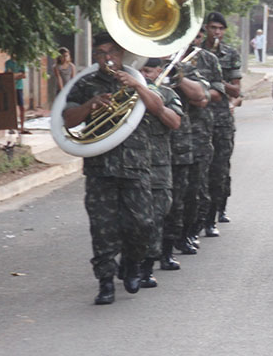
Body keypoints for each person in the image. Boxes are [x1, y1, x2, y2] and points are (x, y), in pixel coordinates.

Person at [61, 33, 164, 304]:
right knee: (102, 228)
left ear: (122, 55)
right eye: (101, 53)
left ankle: (131, 263)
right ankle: (105, 282)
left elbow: (158, 108)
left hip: (136, 166)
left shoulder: (137, 79)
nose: (107, 58)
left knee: (142, 223)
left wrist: (138, 86)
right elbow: (68, 120)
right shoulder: (85, 84)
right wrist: (89, 105)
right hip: (100, 169)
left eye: (113, 52)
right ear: (95, 56)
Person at [136, 58, 183, 287]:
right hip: (129, 167)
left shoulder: (166, 93)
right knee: (130, 220)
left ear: (158, 72)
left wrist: (148, 96)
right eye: (140, 70)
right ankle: (130, 263)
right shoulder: (123, 94)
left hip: (157, 168)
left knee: (154, 219)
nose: (143, 75)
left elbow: (174, 122)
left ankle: (147, 267)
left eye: (148, 70)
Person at [160, 56, 209, 270]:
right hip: (144, 147)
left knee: (179, 201)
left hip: (179, 144)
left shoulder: (183, 67)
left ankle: (169, 248)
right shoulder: (134, 66)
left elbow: (201, 96)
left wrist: (177, 77)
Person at [181, 29, 225, 254]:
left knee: (196, 187)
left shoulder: (208, 59)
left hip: (198, 131)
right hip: (163, 136)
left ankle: (191, 230)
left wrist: (185, 85)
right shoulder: (158, 59)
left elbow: (215, 93)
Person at [201, 11, 242, 235]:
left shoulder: (230, 54)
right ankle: (199, 215)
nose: (216, 32)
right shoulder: (195, 54)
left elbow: (236, 89)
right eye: (213, 27)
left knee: (220, 168)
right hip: (198, 119)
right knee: (199, 171)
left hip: (222, 119)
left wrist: (216, 83)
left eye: (220, 29)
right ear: (206, 28)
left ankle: (215, 214)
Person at [4, 55, 31, 134]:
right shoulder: (8, 63)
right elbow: (8, 75)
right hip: (11, 87)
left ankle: (22, 127)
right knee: (11, 108)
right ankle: (11, 127)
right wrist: (18, 74)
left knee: (21, 107)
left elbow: (24, 75)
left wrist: (13, 75)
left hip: (19, 87)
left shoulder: (21, 62)